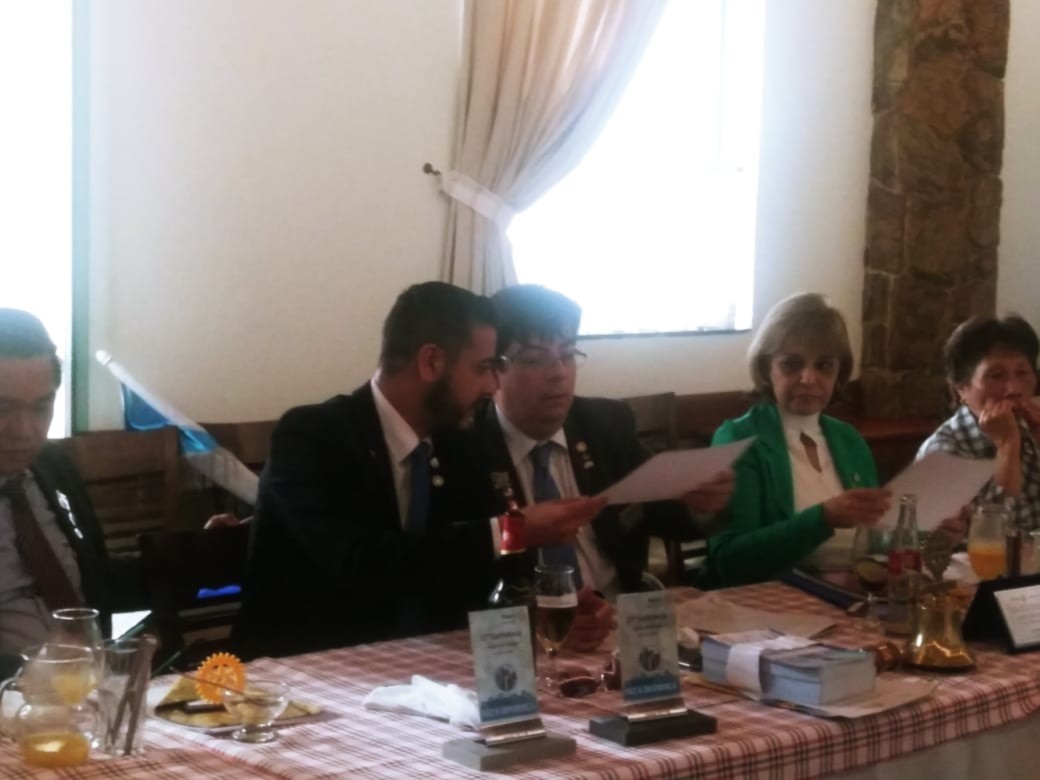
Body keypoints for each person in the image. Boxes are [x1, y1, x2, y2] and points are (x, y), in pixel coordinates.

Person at [233, 282, 603, 658]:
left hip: (425, 661)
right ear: (431, 362)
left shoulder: (456, 441)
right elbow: (361, 564)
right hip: (303, 665)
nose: (492, 386)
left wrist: (539, 615)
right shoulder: (312, 436)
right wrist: (513, 529)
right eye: (483, 368)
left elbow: (471, 569)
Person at [476, 285, 734, 649]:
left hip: (621, 624)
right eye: (534, 359)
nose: (558, 372)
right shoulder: (466, 444)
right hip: (524, 640)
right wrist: (536, 622)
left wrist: (701, 502)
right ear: (494, 370)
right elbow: (458, 573)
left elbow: (665, 514)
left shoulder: (605, 424)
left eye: (568, 354)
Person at [702, 293, 892, 588]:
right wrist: (823, 518)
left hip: (852, 591)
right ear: (766, 369)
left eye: (824, 366)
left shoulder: (849, 439)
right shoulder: (738, 438)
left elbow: (874, 542)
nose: (808, 378)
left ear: (839, 374)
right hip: (772, 598)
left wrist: (927, 536)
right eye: (792, 364)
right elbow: (730, 561)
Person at [0, 309, 145, 677]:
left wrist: (187, 553)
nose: (25, 430)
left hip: (91, 685)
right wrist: (27, 672)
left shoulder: (53, 467)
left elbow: (93, 574)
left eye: (41, 408)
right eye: (2, 408)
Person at [919, 315, 1040, 530]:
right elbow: (996, 536)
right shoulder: (943, 452)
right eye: (996, 376)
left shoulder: (1030, 431)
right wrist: (1007, 447)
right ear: (960, 388)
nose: (1013, 389)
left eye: (1022, 373)